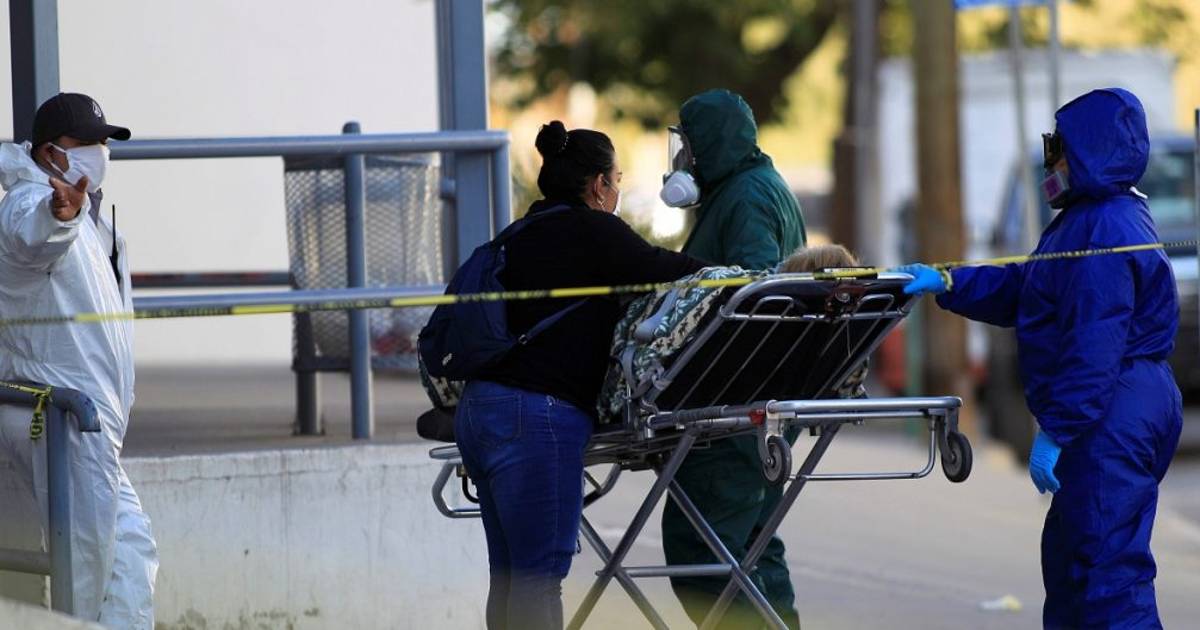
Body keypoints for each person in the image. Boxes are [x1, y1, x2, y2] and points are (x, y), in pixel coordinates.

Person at [901, 88, 1182, 628]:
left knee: (1106, 577)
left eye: (1058, 146)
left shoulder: (1104, 227)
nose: (1051, 160)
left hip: (1111, 413)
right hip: (1117, 405)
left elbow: (1093, 344)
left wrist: (1058, 429)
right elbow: (1031, 290)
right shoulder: (1093, 219)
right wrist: (950, 283)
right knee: (1075, 565)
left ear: (1087, 150)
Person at [453, 120, 706, 630]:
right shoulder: (595, 231)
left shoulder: (518, 234)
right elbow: (673, 270)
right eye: (617, 179)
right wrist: (751, 275)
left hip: (479, 410)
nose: (617, 191)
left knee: (510, 576)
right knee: (538, 579)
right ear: (598, 184)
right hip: (537, 417)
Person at [0, 93, 158, 627]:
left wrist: (72, 215)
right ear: (49, 152)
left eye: (103, 141)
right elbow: (33, 238)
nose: (99, 151)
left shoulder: (93, 221)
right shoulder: (28, 203)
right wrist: (57, 217)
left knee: (130, 553)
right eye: (85, 142)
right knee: (87, 569)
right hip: (60, 422)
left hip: (87, 426)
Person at [658, 88, 807, 628]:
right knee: (754, 547)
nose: (683, 159)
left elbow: (757, 294)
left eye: (689, 146)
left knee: (702, 551)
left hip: (736, 402)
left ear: (710, 145)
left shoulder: (745, 198)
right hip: (762, 397)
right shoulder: (754, 187)